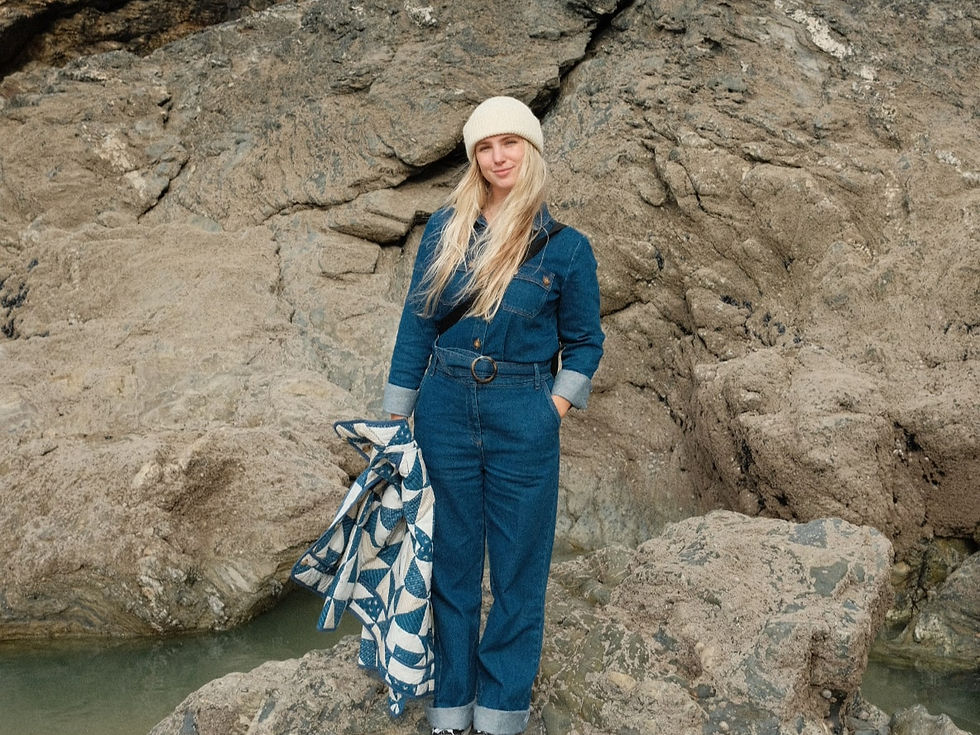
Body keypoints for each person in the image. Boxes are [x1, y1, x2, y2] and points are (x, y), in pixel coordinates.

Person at [383, 96, 604, 735]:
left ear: (530, 152)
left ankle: (501, 716)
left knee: (517, 572)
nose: (498, 156)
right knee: (450, 564)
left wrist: (551, 410)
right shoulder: (444, 231)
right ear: (474, 157)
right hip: (444, 408)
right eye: (485, 146)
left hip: (523, 414)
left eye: (510, 143)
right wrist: (397, 415)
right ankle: (451, 713)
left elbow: (586, 341)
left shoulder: (565, 249)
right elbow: (417, 324)